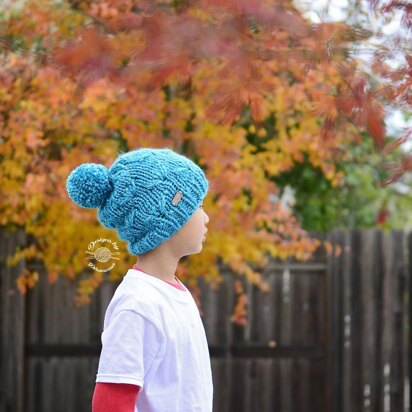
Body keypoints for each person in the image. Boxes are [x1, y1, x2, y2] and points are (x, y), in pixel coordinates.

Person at [66, 147, 213, 412]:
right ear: (168, 216)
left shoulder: (174, 293)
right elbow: (110, 404)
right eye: (199, 205)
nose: (206, 217)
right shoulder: (138, 305)